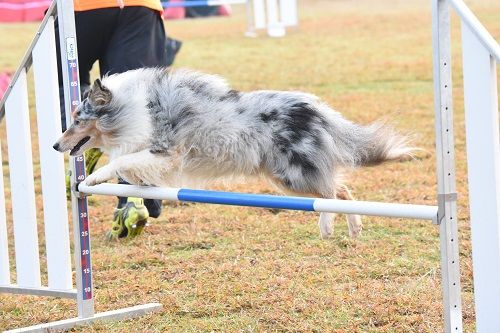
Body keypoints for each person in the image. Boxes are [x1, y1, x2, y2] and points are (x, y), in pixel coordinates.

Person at [56, 0, 181, 239]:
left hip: (80, 8)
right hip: (138, 7)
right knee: (139, 99)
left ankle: (91, 134)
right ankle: (134, 198)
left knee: (65, 83)